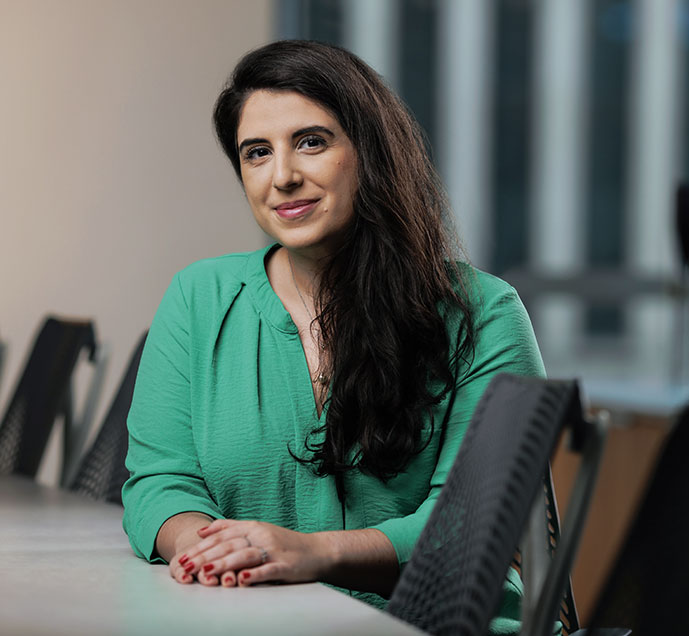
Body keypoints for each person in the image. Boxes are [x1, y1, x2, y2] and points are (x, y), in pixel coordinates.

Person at [122, 40, 545, 635]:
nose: (283, 176)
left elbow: (473, 527)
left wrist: (309, 553)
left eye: (312, 142)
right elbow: (160, 481)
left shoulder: (483, 312)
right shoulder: (199, 297)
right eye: (256, 153)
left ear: (369, 153)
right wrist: (215, 551)